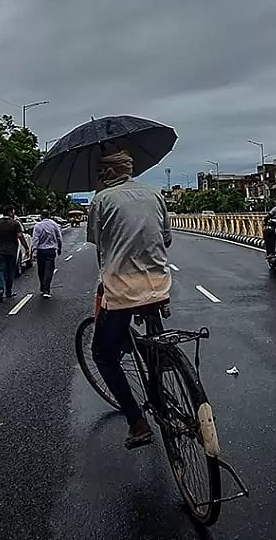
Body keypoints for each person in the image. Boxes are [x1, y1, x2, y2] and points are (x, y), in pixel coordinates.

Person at [88, 150, 171, 449]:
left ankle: (137, 423)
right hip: (159, 285)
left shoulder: (101, 200)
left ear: (106, 173)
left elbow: (99, 243)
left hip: (123, 290)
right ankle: (160, 366)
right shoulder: (155, 194)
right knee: (154, 343)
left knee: (103, 355)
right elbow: (166, 239)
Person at [0, 208, 30, 303]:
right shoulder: (15, 224)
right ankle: (8, 291)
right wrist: (26, 248)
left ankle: (0, 291)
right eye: (13, 212)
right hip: (12, 251)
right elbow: (20, 236)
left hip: (0, 251)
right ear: (10, 212)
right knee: (10, 272)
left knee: (0, 271)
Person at [31, 212, 64, 298]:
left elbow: (35, 239)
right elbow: (59, 237)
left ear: (41, 216)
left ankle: (43, 287)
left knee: (41, 270)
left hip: (40, 251)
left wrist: (34, 252)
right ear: (49, 216)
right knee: (48, 270)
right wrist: (59, 248)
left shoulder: (38, 226)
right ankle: (46, 289)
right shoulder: (54, 225)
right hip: (50, 250)